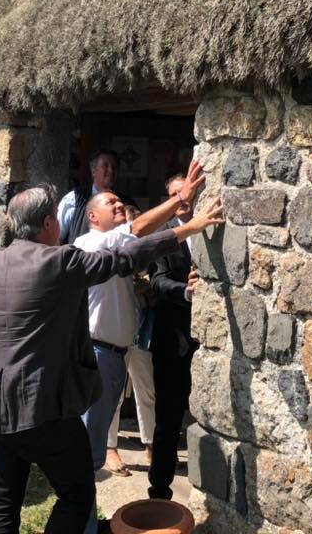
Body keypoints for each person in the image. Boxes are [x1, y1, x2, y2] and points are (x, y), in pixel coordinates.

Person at [0, 175, 223, 534]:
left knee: (1, 504)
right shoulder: (57, 262)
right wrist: (186, 229)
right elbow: (123, 257)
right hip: (44, 407)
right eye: (57, 219)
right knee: (77, 497)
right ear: (47, 223)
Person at [74, 159, 207, 534]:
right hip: (100, 353)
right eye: (109, 203)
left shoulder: (113, 249)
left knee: (93, 448)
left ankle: (85, 522)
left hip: (114, 354)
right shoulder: (95, 243)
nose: (118, 205)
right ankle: (82, 526)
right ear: (92, 218)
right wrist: (181, 205)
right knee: (87, 452)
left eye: (120, 201)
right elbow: (138, 231)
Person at [147, 174, 200, 501]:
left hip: (208, 343)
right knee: (168, 418)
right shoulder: (163, 238)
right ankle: (159, 491)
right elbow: (157, 282)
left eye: (186, 193)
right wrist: (187, 291)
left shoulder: (212, 230)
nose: (183, 201)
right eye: (174, 195)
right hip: (173, 339)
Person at [103, 204, 155, 477]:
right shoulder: (105, 251)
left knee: (146, 390)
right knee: (112, 394)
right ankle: (110, 448)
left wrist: (146, 287)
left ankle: (150, 443)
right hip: (115, 333)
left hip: (140, 332)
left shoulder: (146, 256)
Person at [58, 149, 135, 244]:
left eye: (114, 167)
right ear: (93, 171)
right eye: (105, 166)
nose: (111, 170)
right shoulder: (75, 199)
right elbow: (56, 238)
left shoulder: (127, 204)